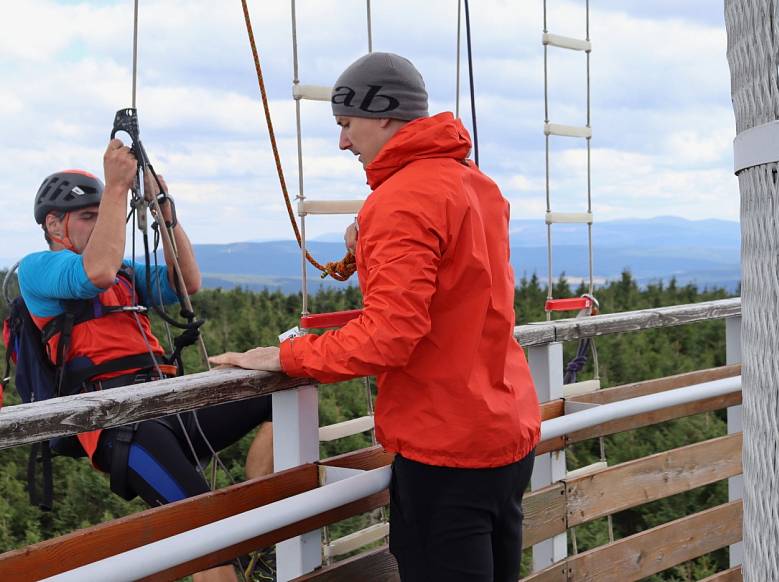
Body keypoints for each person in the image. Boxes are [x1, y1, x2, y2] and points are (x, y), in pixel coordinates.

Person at [210, 52, 541, 581]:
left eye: (346, 124)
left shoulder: (401, 200)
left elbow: (389, 336)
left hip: (446, 446)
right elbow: (457, 291)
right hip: (504, 432)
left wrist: (287, 356)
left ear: (383, 113)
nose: (343, 142)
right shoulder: (475, 185)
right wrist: (371, 244)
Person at [19, 139, 274, 582]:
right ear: (55, 225)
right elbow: (93, 272)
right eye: (88, 216)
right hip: (121, 427)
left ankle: (260, 511)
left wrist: (163, 210)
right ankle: (236, 535)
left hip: (166, 403)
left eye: (101, 214)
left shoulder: (125, 275)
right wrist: (116, 189)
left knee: (274, 393)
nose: (99, 223)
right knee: (206, 539)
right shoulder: (39, 268)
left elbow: (186, 281)